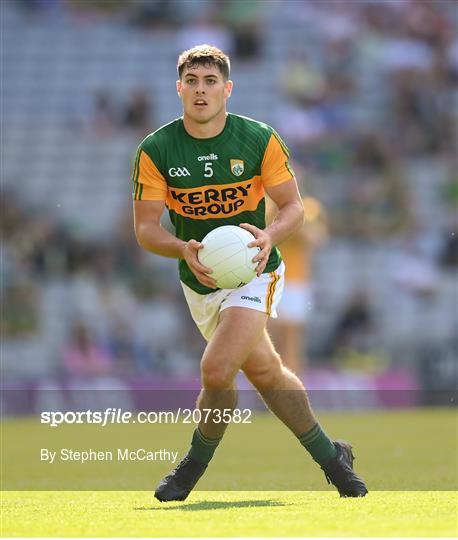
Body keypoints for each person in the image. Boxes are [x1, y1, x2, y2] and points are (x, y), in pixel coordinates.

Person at [132, 44, 367, 500]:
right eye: (193, 82)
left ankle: (191, 468)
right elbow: (144, 229)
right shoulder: (156, 149)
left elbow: (294, 207)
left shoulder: (259, 138)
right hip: (199, 279)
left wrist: (270, 237)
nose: (201, 91)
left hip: (256, 270)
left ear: (228, 89)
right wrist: (184, 248)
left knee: (217, 369)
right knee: (268, 374)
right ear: (179, 88)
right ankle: (333, 457)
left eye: (211, 82)